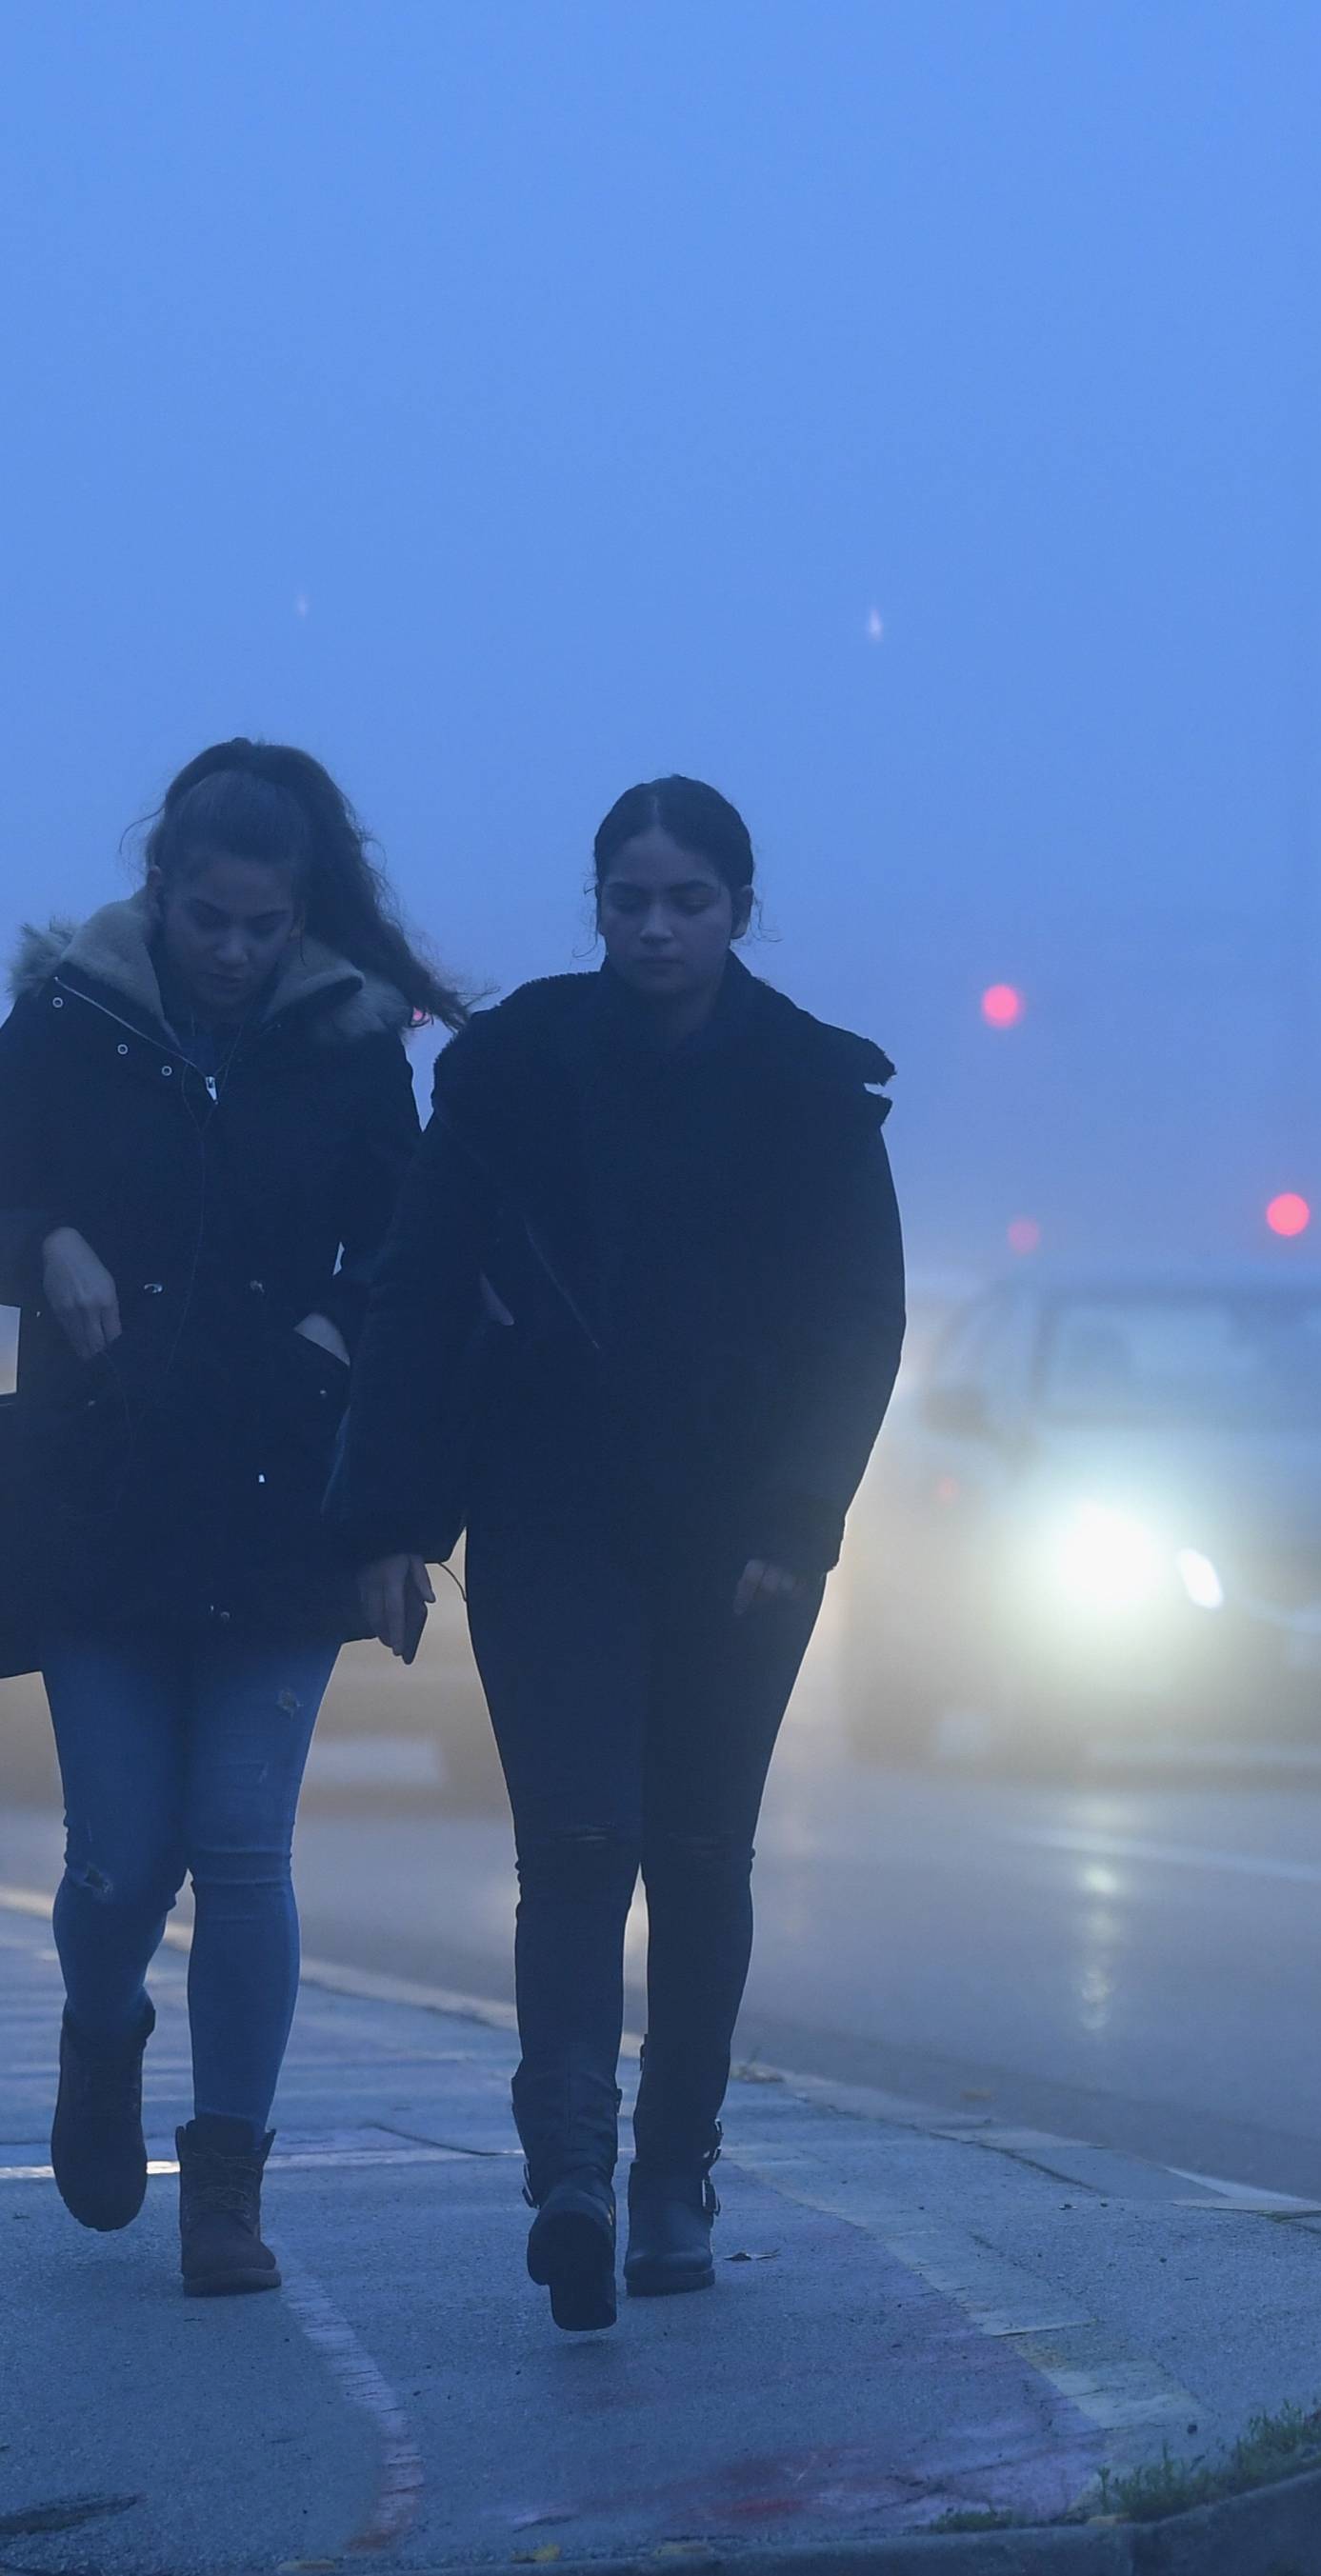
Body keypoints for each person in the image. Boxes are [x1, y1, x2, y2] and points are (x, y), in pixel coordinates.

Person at [331, 776, 904, 2333]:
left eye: (688, 901)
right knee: (576, 1841)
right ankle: (571, 2169)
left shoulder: (810, 1086)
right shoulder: (512, 1070)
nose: (656, 927)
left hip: (738, 1539)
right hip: (549, 1507)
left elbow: (860, 1327)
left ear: (738, 908)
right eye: (628, 899)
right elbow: (419, 1291)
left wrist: (799, 1519)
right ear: (597, 905)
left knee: (702, 1852)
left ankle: (674, 2171)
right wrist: (387, 1518)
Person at [0, 740, 463, 2298]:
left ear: (301, 915)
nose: (237, 950)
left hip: (280, 1502)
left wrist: (340, 1339)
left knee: (242, 1845)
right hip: (101, 1500)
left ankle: (228, 2188)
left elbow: (411, 1255)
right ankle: (103, 2027)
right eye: (212, 918)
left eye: (266, 925)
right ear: (165, 893)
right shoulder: (70, 1014)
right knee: (122, 1858)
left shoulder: (343, 1041)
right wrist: (46, 1236)